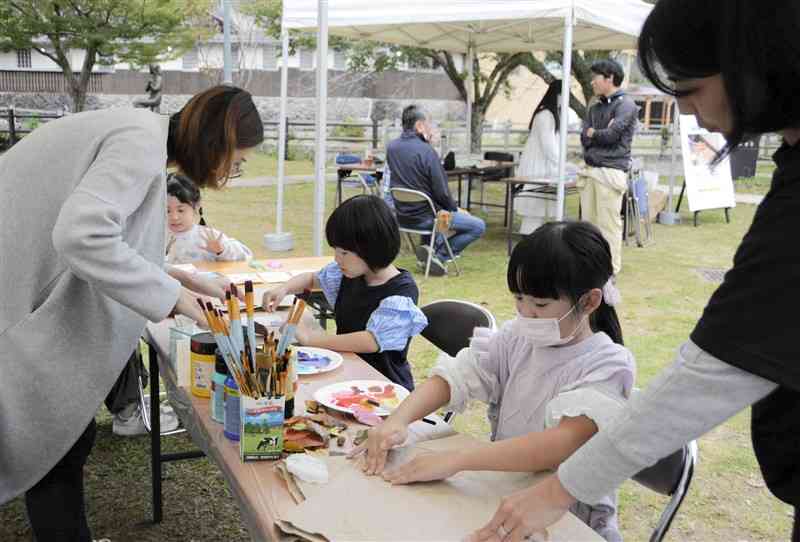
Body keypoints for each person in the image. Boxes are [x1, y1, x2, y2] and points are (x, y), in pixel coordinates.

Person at [471, 2, 800, 541]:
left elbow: (712, 371)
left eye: (689, 89)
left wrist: (555, 491)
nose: (688, 113)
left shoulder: (605, 362)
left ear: (758, 63)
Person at [0, 84, 264, 541]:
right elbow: (82, 236)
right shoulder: (139, 142)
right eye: (236, 162)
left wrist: (186, 278)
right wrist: (180, 302)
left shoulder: (140, 134)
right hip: (14, 300)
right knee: (57, 444)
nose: (233, 171)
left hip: (17, 289)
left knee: (66, 442)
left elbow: (117, 241)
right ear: (216, 144)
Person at [353, 221, 634, 542]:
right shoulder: (518, 337)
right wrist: (398, 420)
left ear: (589, 301)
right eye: (519, 299)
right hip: (503, 488)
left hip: (566, 515)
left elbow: (560, 445)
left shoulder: (609, 364)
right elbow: (458, 375)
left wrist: (457, 460)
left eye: (540, 305)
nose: (526, 312)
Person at [262, 195, 427, 391]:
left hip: (384, 388)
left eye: (344, 253)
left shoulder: (401, 293)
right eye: (335, 251)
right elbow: (312, 278)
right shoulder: (349, 273)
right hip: (349, 374)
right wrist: (284, 288)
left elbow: (371, 341)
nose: (337, 259)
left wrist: (311, 340)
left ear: (371, 247)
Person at [386, 105, 486, 276]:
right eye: (430, 124)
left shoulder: (392, 147)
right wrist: (455, 209)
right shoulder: (426, 151)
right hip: (427, 217)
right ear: (419, 126)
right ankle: (439, 256)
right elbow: (442, 193)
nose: (432, 128)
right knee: (478, 225)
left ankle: (428, 252)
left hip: (402, 216)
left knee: (436, 212)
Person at [578, 59, 638, 275]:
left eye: (596, 77)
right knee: (588, 226)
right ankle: (589, 268)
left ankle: (610, 271)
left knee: (609, 226)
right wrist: (594, 133)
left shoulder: (626, 105)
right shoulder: (594, 107)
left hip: (610, 172)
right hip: (590, 171)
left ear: (610, 78)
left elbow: (612, 136)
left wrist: (595, 133)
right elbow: (584, 137)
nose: (592, 82)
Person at [165, 172, 253, 264]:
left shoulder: (207, 236)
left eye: (181, 210)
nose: (174, 217)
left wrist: (221, 251)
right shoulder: (156, 236)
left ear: (196, 206)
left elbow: (245, 256)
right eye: (167, 211)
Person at [515, 81, 561, 234]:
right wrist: (560, 163)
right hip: (537, 163)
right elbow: (548, 144)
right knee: (534, 207)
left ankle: (535, 237)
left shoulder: (548, 114)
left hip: (541, 162)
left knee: (538, 207)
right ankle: (529, 238)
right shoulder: (545, 115)